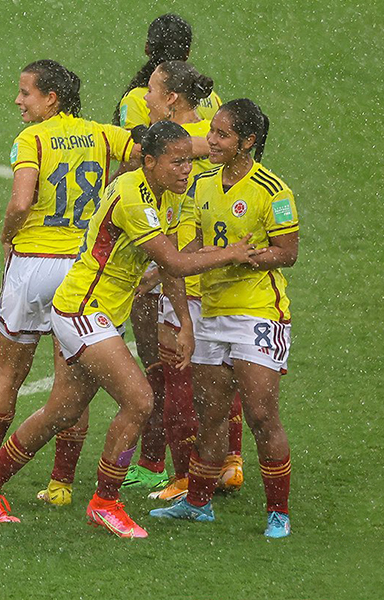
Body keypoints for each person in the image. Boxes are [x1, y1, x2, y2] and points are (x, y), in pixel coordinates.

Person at [0, 121, 261, 538]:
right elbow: (173, 263)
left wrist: (187, 324)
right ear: (150, 162)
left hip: (99, 311)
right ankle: (106, 502)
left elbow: (170, 266)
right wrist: (233, 253)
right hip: (83, 309)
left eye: (188, 162)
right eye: (176, 162)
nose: (185, 170)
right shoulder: (132, 196)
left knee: (60, 411)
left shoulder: (171, 197)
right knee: (139, 400)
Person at [0, 59, 136, 507]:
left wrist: (7, 236)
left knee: (9, 371)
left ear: (51, 98)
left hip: (33, 264)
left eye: (25, 92)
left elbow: (21, 201)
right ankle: (62, 484)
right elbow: (156, 152)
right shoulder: (104, 134)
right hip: (81, 271)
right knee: (73, 382)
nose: (18, 101)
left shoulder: (31, 139)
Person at [150, 99, 298, 538]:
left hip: (257, 314)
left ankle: (278, 513)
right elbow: (191, 248)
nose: (210, 141)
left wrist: (246, 259)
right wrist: (163, 269)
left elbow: (287, 253)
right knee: (210, 414)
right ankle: (198, 502)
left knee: (260, 414)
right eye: (211, 132)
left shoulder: (273, 190)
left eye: (222, 135)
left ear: (247, 142)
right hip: (211, 312)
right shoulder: (201, 185)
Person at [114, 14, 223, 493]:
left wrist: (158, 273)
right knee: (221, 369)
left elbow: (136, 159)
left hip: (170, 252)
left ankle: (174, 470)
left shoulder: (139, 103)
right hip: (209, 256)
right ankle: (223, 461)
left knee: (166, 369)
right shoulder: (215, 106)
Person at [140, 60, 245, 501]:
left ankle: (184, 478)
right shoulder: (216, 137)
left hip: (183, 268)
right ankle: (230, 463)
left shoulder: (172, 146)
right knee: (223, 374)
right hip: (220, 272)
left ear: (171, 98)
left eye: (151, 90)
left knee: (179, 378)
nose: (145, 98)